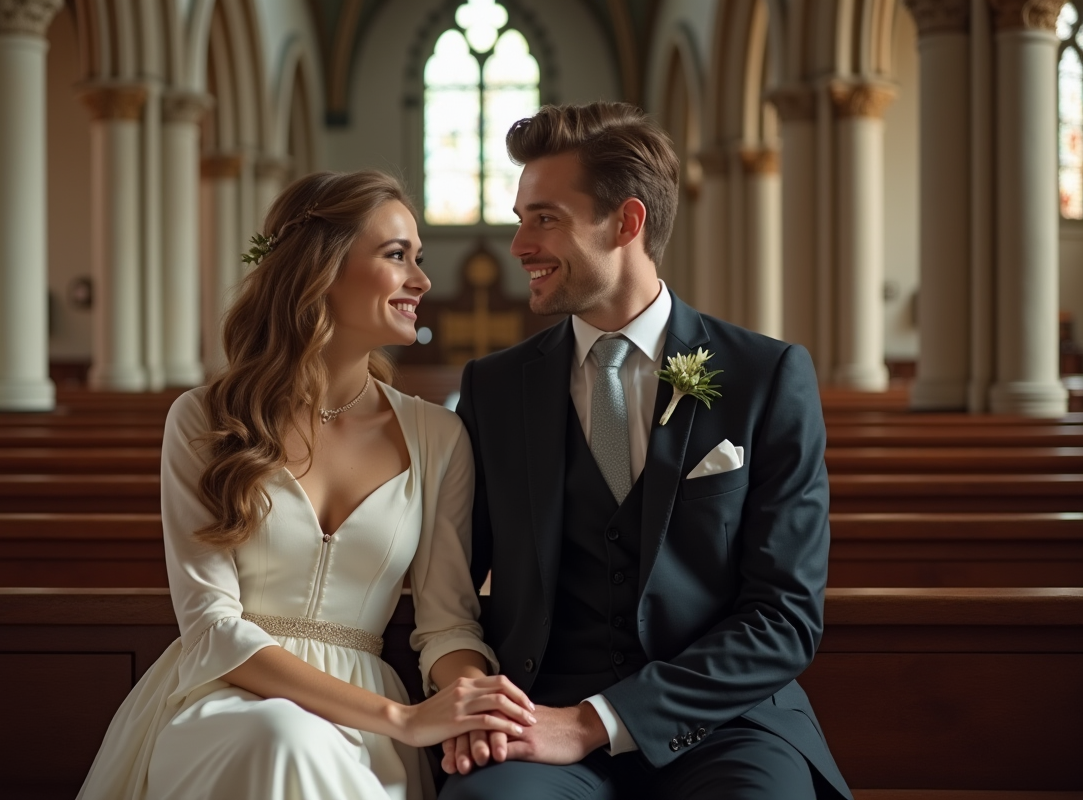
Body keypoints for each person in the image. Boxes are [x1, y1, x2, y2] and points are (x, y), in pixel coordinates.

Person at [76, 170, 535, 800]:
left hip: (364, 723)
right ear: (321, 269)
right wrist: (402, 718)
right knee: (279, 738)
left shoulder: (438, 437)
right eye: (397, 255)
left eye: (418, 259)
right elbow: (210, 625)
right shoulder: (204, 420)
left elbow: (447, 623)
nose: (423, 281)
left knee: (294, 745)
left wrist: (466, 701)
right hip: (230, 698)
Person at [442, 103, 854, 799]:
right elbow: (453, 580)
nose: (519, 245)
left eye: (545, 218)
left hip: (725, 723)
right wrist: (476, 696)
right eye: (521, 218)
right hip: (537, 719)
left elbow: (784, 616)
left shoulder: (766, 376)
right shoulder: (493, 387)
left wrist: (598, 721)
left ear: (627, 223)